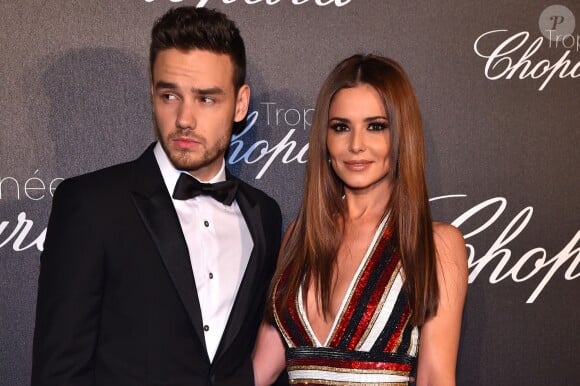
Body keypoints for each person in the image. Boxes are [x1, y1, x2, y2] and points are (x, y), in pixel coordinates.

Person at [32, 7, 283, 386]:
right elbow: (59, 373)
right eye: (170, 95)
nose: (184, 118)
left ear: (240, 103)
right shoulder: (90, 206)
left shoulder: (263, 214)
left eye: (206, 99)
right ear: (152, 94)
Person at [252, 54, 468, 386]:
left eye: (375, 126)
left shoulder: (433, 244)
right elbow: (259, 372)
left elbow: (435, 377)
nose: (356, 145)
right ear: (325, 139)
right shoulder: (299, 236)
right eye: (341, 127)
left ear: (401, 136)